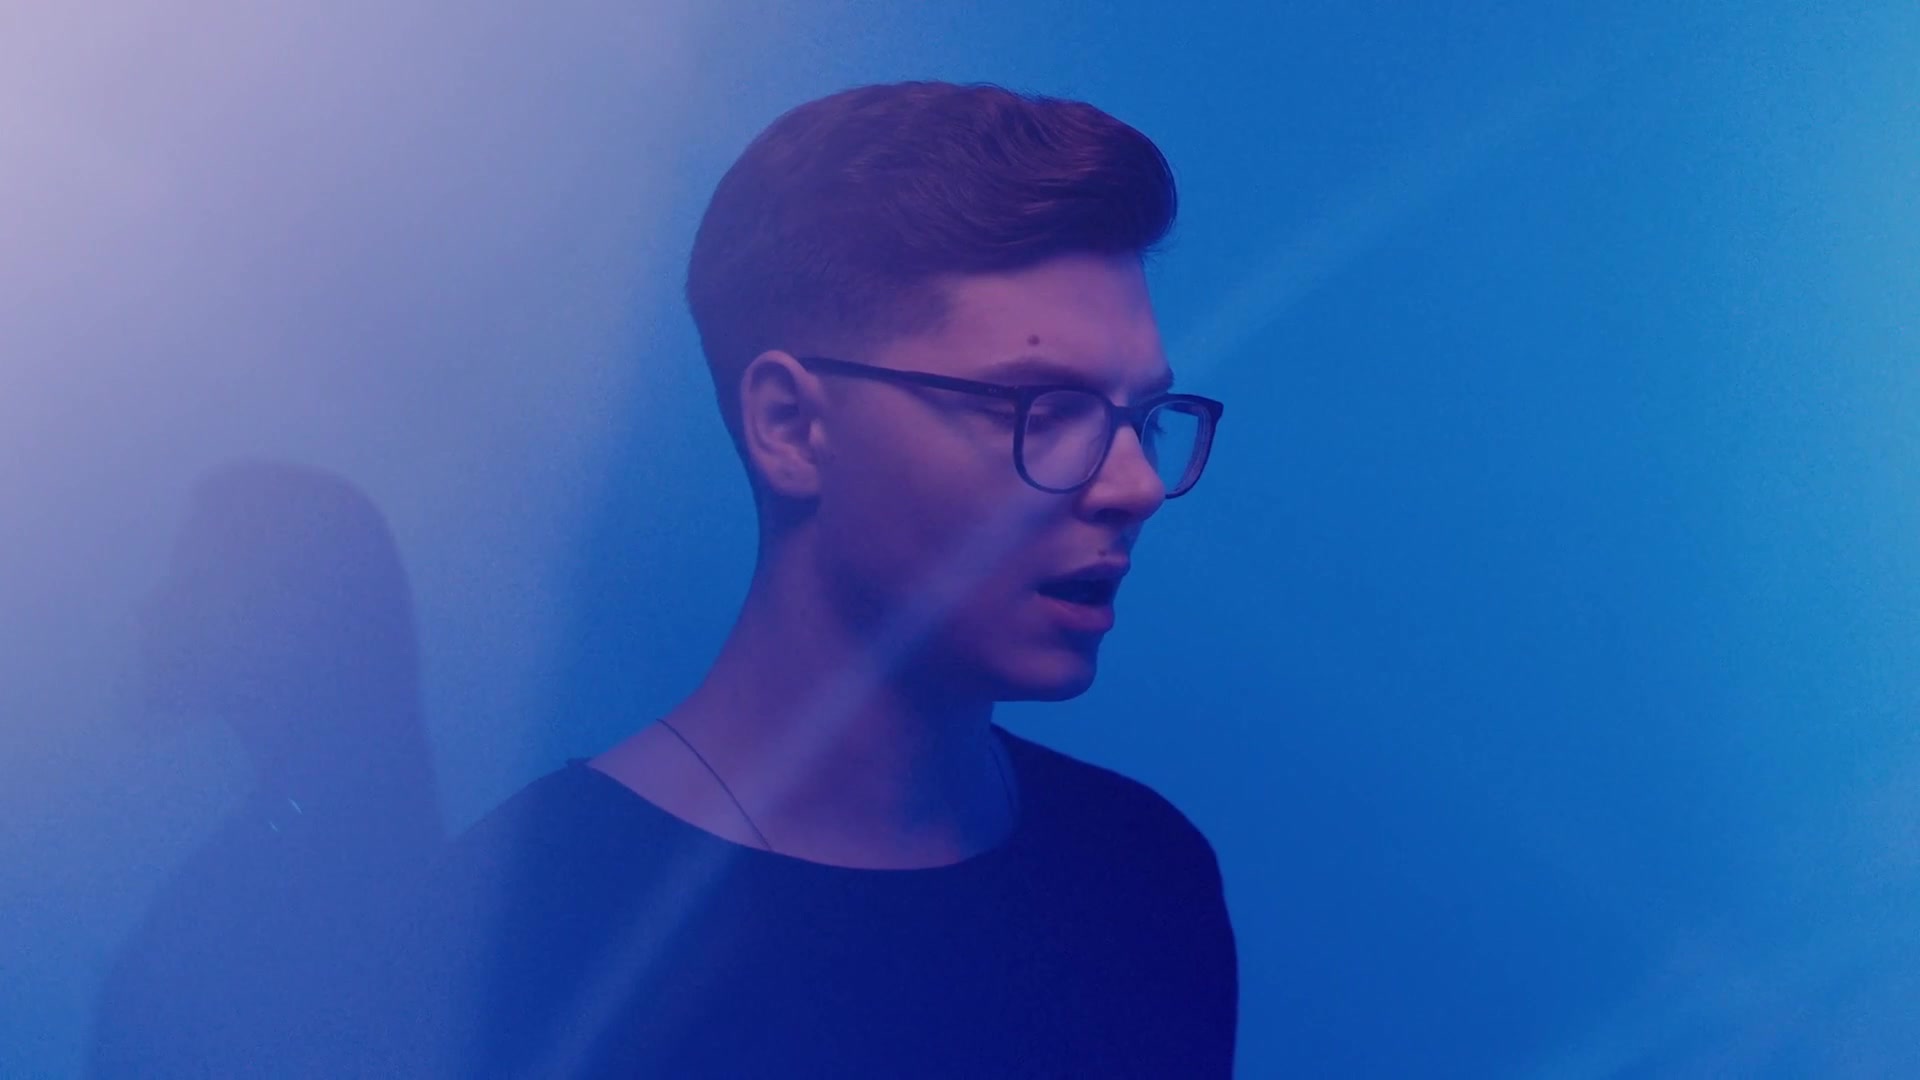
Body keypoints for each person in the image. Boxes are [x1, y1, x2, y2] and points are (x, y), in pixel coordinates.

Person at [341, 79, 1236, 1078]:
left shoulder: (1145, 874)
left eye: (1143, 416)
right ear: (791, 426)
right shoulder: (523, 936)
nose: (1135, 484)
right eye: (1040, 407)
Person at [90, 460, 444, 1078]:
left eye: (192, 575)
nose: (153, 605)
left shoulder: (302, 895)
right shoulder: (321, 850)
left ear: (286, 612)